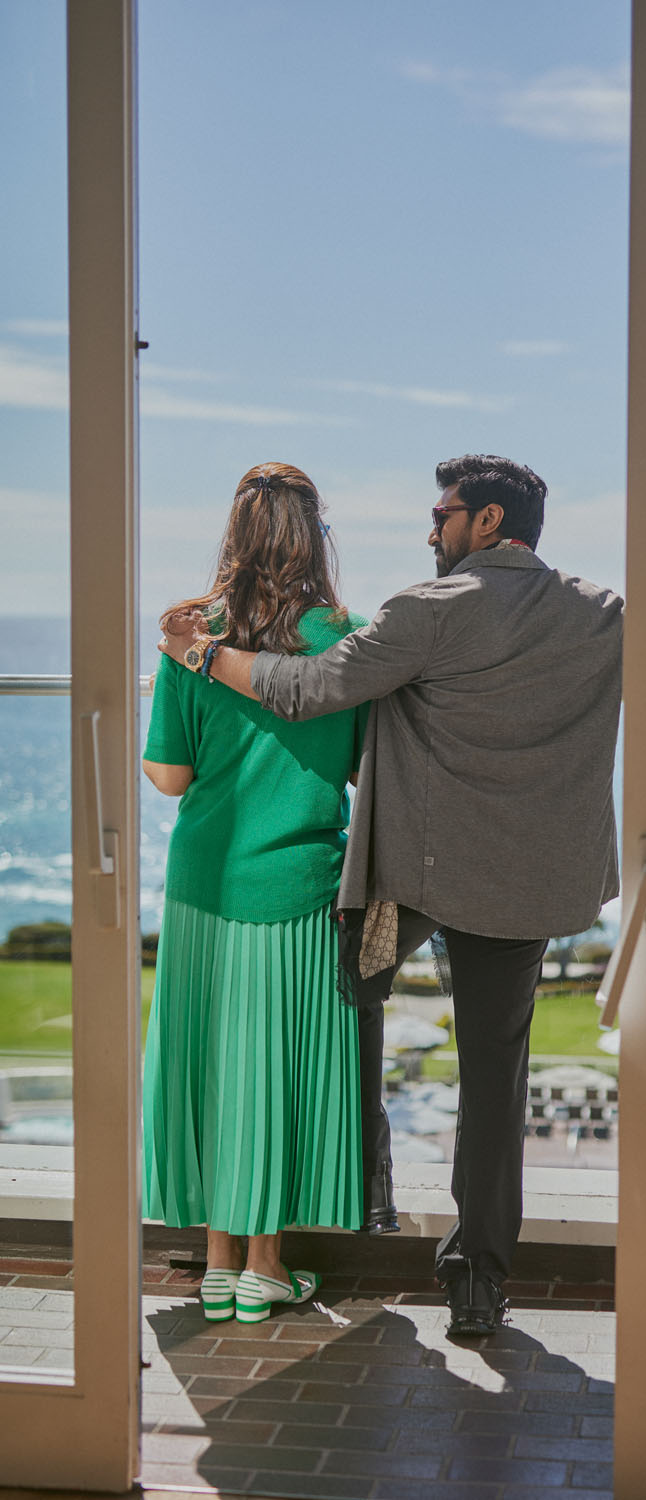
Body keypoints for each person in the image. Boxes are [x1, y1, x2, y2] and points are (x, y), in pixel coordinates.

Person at [160, 453, 623, 1336]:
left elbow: (307, 688)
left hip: (410, 877)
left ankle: (367, 1193)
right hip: (520, 884)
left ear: (487, 521)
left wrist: (201, 652)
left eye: (443, 513)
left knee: (352, 997)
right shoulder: (603, 612)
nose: (430, 528)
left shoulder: (427, 608)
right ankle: (477, 1281)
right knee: (495, 1077)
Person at [142, 461, 370, 1325]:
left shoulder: (190, 634)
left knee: (211, 1064)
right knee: (270, 1070)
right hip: (297, 883)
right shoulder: (344, 635)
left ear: (235, 534)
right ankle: (265, 1268)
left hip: (204, 879)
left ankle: (216, 1264)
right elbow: (364, 769)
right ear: (315, 536)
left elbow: (170, 776)